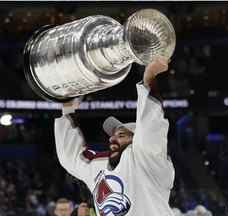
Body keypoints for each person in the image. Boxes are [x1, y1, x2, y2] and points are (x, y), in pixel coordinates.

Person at [54, 57, 175, 216]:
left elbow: (150, 128)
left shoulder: (148, 160)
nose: (112, 139)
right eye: (113, 135)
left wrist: (149, 78)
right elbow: (70, 157)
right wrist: (67, 109)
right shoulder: (99, 166)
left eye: (121, 135)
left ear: (136, 140)